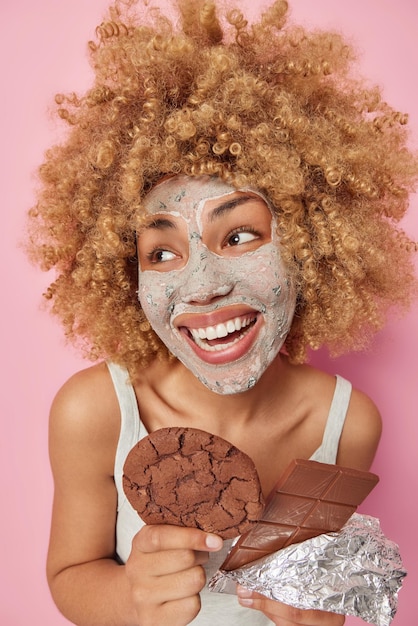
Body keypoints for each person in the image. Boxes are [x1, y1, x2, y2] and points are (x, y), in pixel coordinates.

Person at [26, 0, 418, 624]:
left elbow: (311, 588)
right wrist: (127, 596)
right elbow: (70, 575)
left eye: (239, 236)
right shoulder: (95, 412)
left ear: (312, 245)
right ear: (128, 276)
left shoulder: (346, 425)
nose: (201, 286)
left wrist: (321, 615)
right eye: (161, 252)